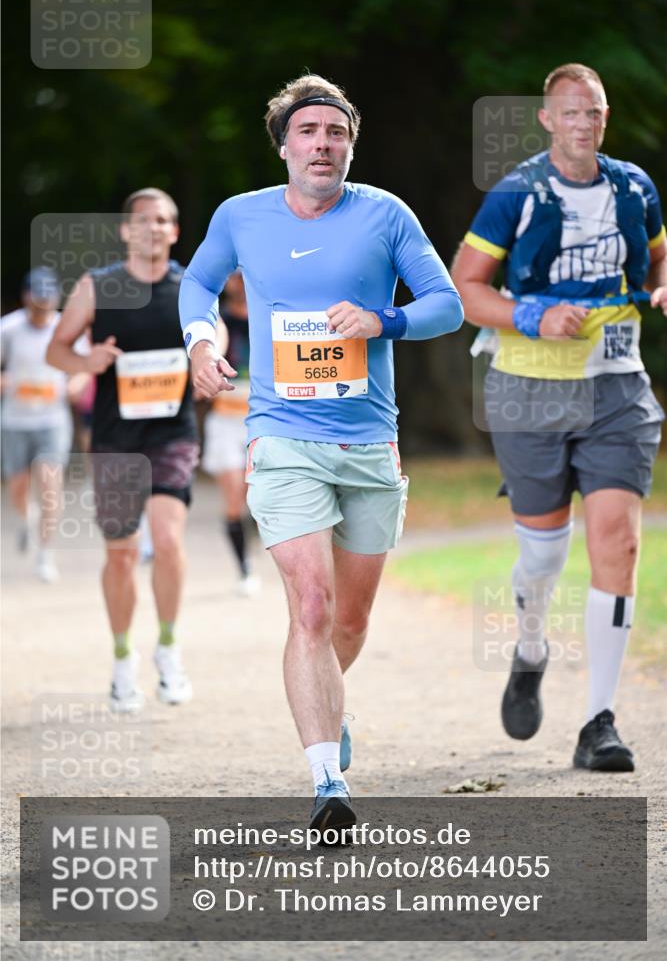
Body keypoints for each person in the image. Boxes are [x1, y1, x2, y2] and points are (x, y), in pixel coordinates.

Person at [179, 74, 463, 831]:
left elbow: (446, 305)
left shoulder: (385, 215)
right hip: (282, 436)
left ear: (349, 146)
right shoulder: (242, 216)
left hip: (369, 441)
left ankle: (328, 709)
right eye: (307, 131)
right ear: (283, 146)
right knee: (310, 606)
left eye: (335, 133)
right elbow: (197, 286)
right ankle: (325, 780)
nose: (322, 144)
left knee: (348, 624)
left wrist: (382, 321)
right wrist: (200, 341)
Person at [451, 63, 666, 772]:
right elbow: (465, 289)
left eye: (594, 114)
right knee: (542, 555)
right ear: (546, 119)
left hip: (616, 389)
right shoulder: (516, 193)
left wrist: (662, 287)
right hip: (530, 390)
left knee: (618, 542)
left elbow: (658, 262)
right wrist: (531, 315)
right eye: (569, 113)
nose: (583, 124)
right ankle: (531, 645)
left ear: (604, 118)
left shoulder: (634, 187)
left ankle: (597, 721)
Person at [47, 188, 200, 713]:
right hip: (114, 440)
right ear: (125, 231)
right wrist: (87, 363)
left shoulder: (189, 287)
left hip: (172, 433)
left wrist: (210, 360)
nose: (152, 228)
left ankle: (169, 648)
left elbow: (217, 333)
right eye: (142, 221)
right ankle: (121, 660)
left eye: (162, 220)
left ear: (174, 231)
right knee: (122, 554)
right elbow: (57, 349)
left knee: (168, 538)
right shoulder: (99, 286)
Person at [1, 267, 87, 583]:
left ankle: (45, 553)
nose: (43, 306)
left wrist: (77, 382)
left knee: (50, 484)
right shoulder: (8, 330)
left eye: (48, 300)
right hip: (14, 421)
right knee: (18, 488)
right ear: (26, 297)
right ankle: (27, 517)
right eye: (38, 300)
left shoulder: (66, 328)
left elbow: (84, 364)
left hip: (52, 420)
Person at [201, 270, 260, 596]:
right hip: (225, 423)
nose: (239, 283)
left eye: (244, 276)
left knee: (258, 496)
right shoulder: (216, 322)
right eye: (234, 277)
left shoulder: (271, 316)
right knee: (234, 496)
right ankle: (244, 568)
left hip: (262, 421)